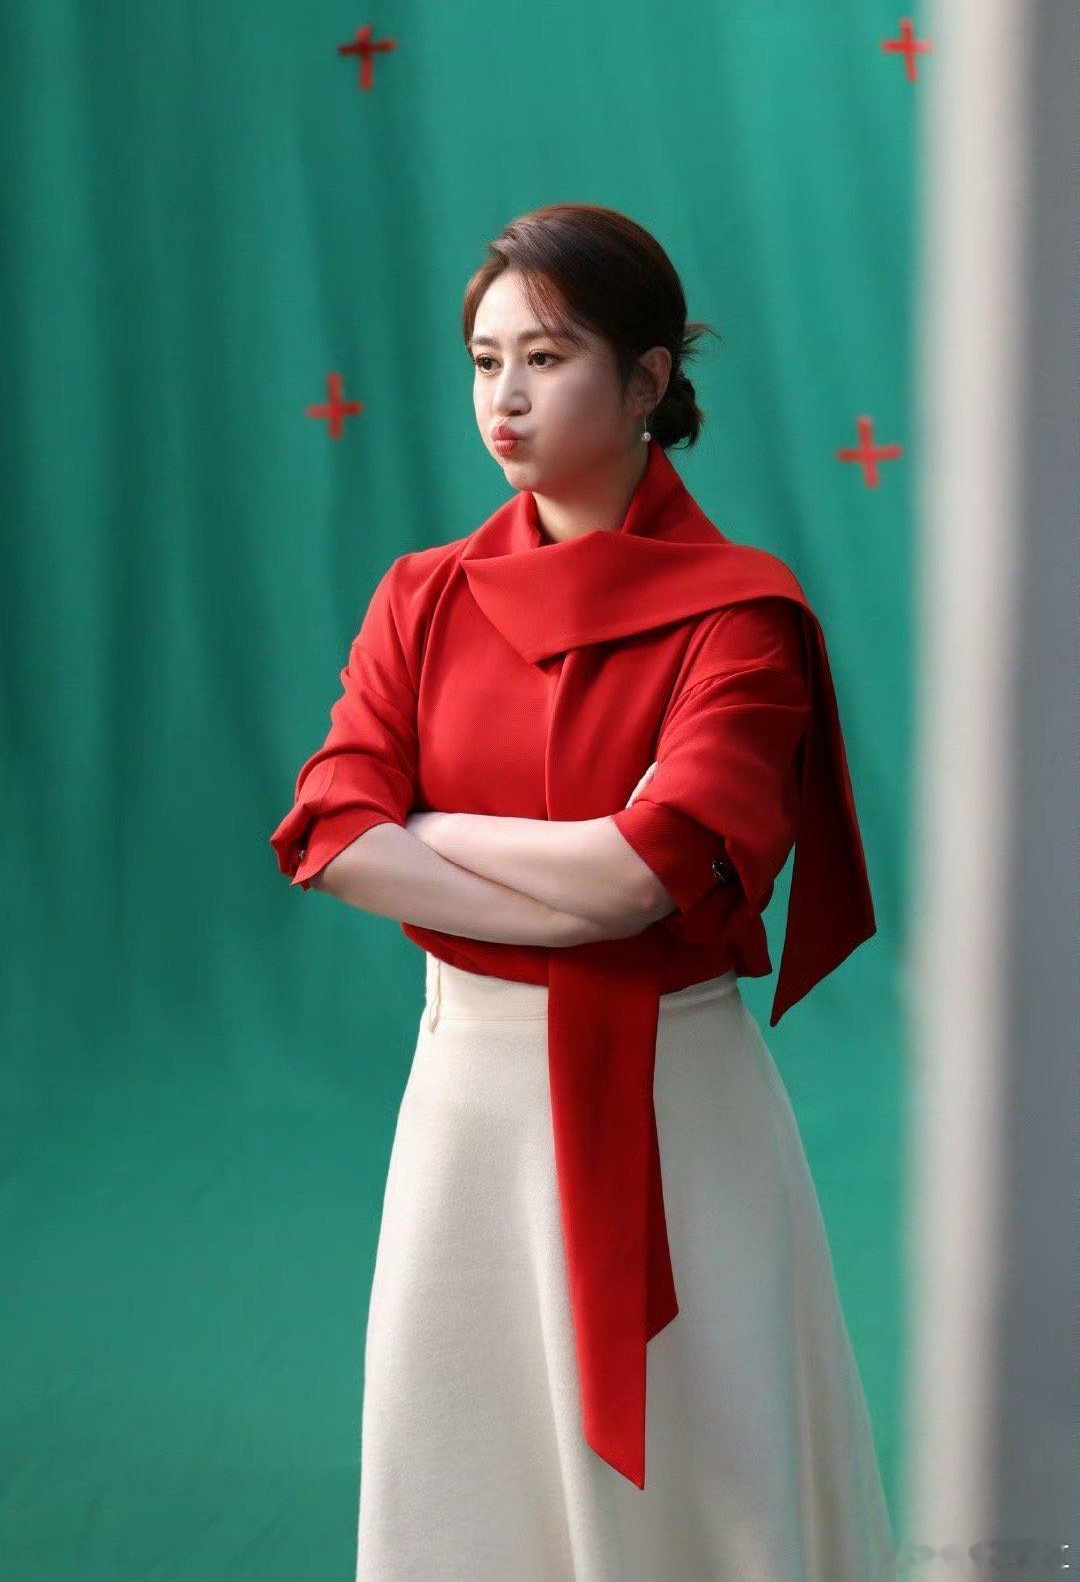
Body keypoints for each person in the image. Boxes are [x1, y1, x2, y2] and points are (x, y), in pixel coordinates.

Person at [270, 203, 896, 1581]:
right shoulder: (421, 596)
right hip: (467, 1108)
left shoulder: (743, 617)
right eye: (484, 360)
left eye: (545, 359)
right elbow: (333, 835)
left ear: (649, 379)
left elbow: (644, 876)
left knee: (711, 1471)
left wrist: (434, 831)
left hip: (683, 1108)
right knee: (465, 1468)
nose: (503, 397)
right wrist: (579, 885)